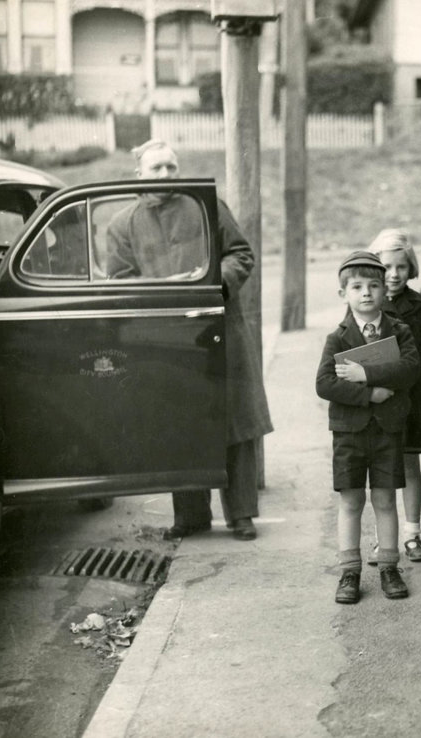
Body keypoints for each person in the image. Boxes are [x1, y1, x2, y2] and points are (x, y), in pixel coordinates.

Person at [107, 139, 273, 542]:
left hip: (219, 326)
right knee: (179, 423)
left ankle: (242, 515)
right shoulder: (121, 224)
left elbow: (241, 255)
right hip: (166, 340)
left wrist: (209, 285)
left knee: (235, 423)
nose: (165, 175)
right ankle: (192, 515)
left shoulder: (207, 205)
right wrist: (164, 289)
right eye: (157, 168)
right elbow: (120, 281)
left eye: (171, 167)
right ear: (139, 175)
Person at [316, 251, 421, 604]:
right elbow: (325, 384)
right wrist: (369, 394)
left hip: (388, 430)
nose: (366, 293)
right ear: (343, 293)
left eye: (374, 286)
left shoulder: (400, 332)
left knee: (385, 499)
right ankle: (349, 572)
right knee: (351, 500)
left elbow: (410, 369)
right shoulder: (338, 337)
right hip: (349, 431)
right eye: (357, 287)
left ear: (384, 291)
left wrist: (366, 373)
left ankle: (390, 567)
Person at [367, 229, 421, 562]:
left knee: (410, 465)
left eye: (401, 267)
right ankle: (385, 538)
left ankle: (412, 534)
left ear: (411, 268)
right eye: (387, 267)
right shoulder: (367, 304)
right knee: (381, 469)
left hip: (410, 399)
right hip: (377, 399)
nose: (394, 275)